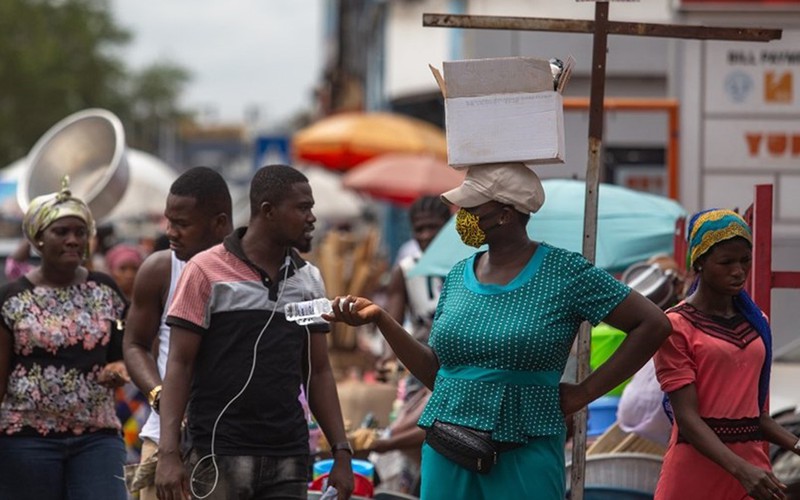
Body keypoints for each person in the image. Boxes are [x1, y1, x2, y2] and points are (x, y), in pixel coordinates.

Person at [325, 162, 671, 499]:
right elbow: (439, 375)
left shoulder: (565, 272)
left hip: (524, 451)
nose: (463, 215)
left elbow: (652, 324)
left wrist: (583, 394)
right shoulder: (459, 275)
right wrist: (382, 319)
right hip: (448, 449)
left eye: (472, 207)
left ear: (506, 213)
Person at [156, 165, 354, 500]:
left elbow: (318, 372)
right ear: (268, 211)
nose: (311, 218)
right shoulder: (204, 271)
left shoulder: (309, 280)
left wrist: (342, 451)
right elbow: (179, 365)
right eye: (303, 208)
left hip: (288, 456)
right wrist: (168, 454)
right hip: (217, 454)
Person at [654, 209, 800, 500]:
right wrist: (741, 470)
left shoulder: (757, 322)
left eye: (745, 261)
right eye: (726, 262)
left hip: (753, 470)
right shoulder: (676, 326)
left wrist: (796, 445)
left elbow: (754, 416)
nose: (739, 271)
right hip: (696, 472)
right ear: (699, 263)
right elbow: (687, 419)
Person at [0, 180, 129, 500]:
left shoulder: (105, 290)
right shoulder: (12, 298)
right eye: (62, 232)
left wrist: (118, 369)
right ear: (38, 238)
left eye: (80, 232)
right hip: (26, 440)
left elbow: (123, 352)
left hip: (96, 437)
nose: (74, 240)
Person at [122, 166, 233, 500]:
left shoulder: (249, 272)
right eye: (169, 221)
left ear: (219, 223)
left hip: (232, 442)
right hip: (167, 440)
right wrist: (159, 395)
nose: (170, 232)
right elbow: (135, 344)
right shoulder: (160, 269)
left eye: (182, 224)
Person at [371, 195, 450, 494]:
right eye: (420, 229)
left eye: (434, 227)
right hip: (421, 364)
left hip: (457, 362)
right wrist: (386, 358)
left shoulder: (471, 264)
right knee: (419, 437)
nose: (426, 235)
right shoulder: (406, 269)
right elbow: (390, 319)